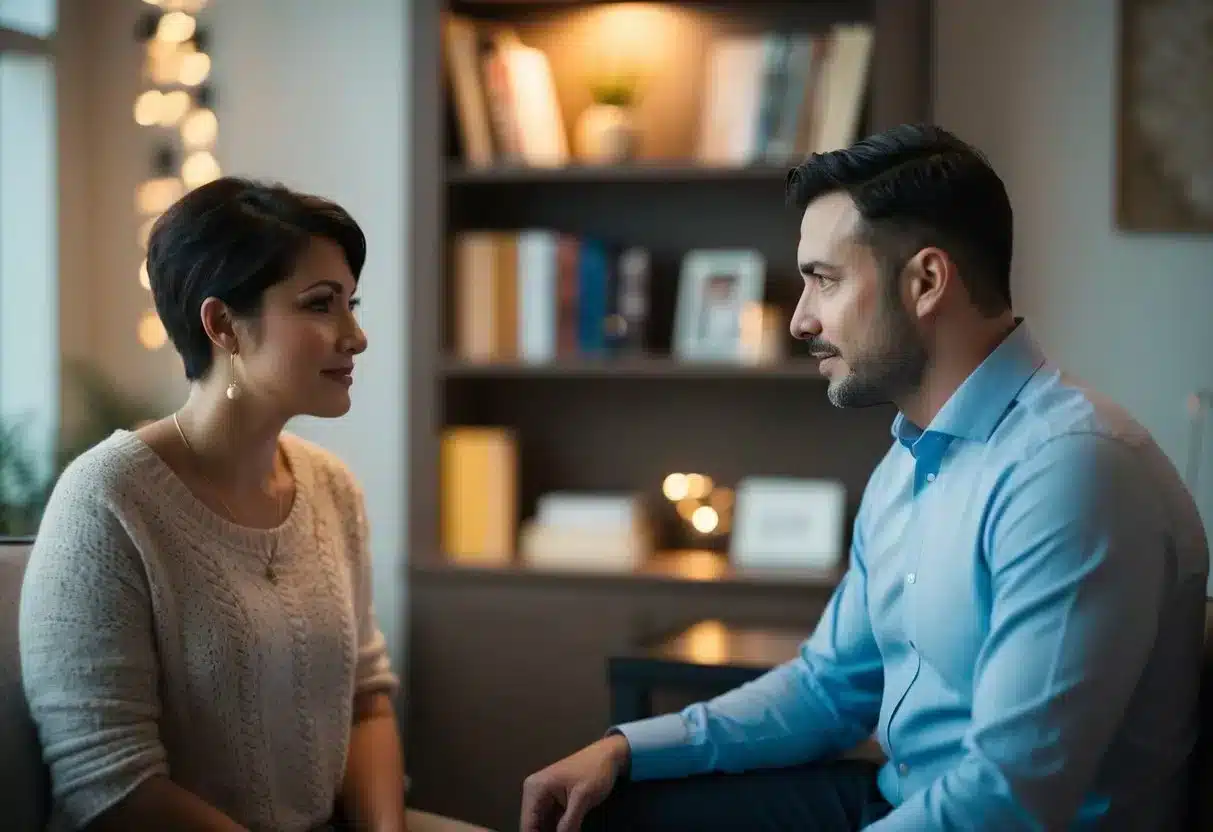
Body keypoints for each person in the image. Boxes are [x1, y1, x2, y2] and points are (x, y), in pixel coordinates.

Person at [519, 124, 1211, 831]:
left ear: (926, 281)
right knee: (607, 810)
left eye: (824, 279)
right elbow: (825, 691)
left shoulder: (1072, 470)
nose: (798, 320)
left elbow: (1008, 797)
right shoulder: (908, 462)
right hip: (901, 803)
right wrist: (624, 749)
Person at [19, 178, 427, 831]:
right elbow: (111, 783)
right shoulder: (108, 501)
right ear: (222, 325)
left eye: (351, 304)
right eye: (321, 306)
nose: (356, 336)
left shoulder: (332, 488)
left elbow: (366, 702)